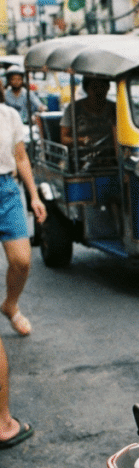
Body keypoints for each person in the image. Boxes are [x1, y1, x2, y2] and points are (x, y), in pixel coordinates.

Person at [0, 92, 46, 343]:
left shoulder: (9, 115)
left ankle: (10, 304)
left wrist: (34, 196)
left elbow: (21, 157)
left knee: (22, 261)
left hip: (6, 191)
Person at [59, 76, 116, 168]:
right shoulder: (73, 109)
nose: (99, 91)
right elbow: (64, 138)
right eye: (94, 87)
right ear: (86, 89)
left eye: (102, 87)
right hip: (80, 157)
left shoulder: (114, 108)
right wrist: (81, 140)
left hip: (109, 156)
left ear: (108, 87)